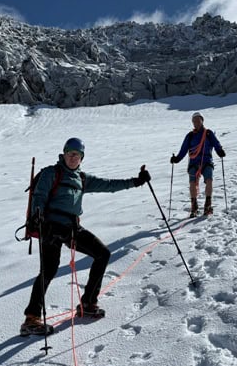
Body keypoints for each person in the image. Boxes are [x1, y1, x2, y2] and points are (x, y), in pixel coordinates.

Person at [21, 137, 151, 336]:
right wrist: (38, 216)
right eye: (70, 153)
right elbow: (39, 196)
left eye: (77, 155)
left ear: (82, 158)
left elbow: (109, 185)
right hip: (50, 227)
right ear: (64, 154)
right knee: (49, 270)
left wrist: (136, 181)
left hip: (72, 228)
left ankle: (88, 303)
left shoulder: (81, 178)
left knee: (102, 254)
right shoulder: (51, 173)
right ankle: (31, 318)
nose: (73, 158)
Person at [170, 112, 225, 217]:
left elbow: (216, 143)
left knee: (209, 180)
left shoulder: (208, 133)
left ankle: (207, 204)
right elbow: (183, 150)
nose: (196, 123)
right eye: (194, 121)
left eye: (198, 120)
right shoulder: (190, 136)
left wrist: (220, 151)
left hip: (207, 161)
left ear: (202, 121)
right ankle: (194, 206)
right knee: (192, 183)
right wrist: (177, 159)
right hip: (194, 162)